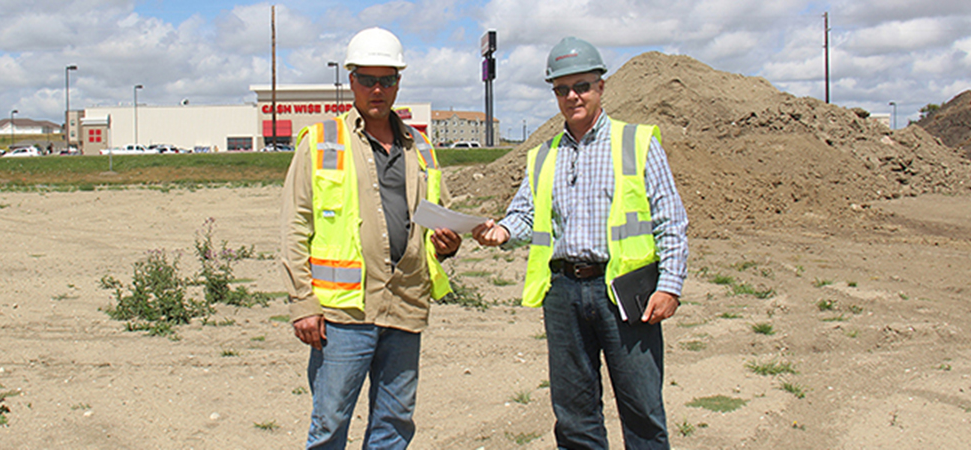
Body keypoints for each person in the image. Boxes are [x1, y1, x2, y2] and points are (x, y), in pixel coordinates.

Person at [472, 37, 689, 449]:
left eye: (582, 86)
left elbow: (671, 221)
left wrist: (670, 285)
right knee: (574, 414)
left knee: (642, 409)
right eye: (562, 89)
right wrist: (500, 231)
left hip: (625, 292)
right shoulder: (543, 154)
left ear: (601, 87)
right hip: (564, 292)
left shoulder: (637, 143)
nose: (572, 96)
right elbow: (525, 215)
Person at [280, 27, 461, 449]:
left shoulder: (422, 147)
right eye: (368, 79)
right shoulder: (321, 141)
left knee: (394, 424)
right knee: (330, 424)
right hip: (344, 314)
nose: (377, 89)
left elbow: (439, 220)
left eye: (387, 80)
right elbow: (295, 225)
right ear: (351, 81)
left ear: (399, 82)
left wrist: (448, 245)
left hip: (405, 305)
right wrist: (302, 303)